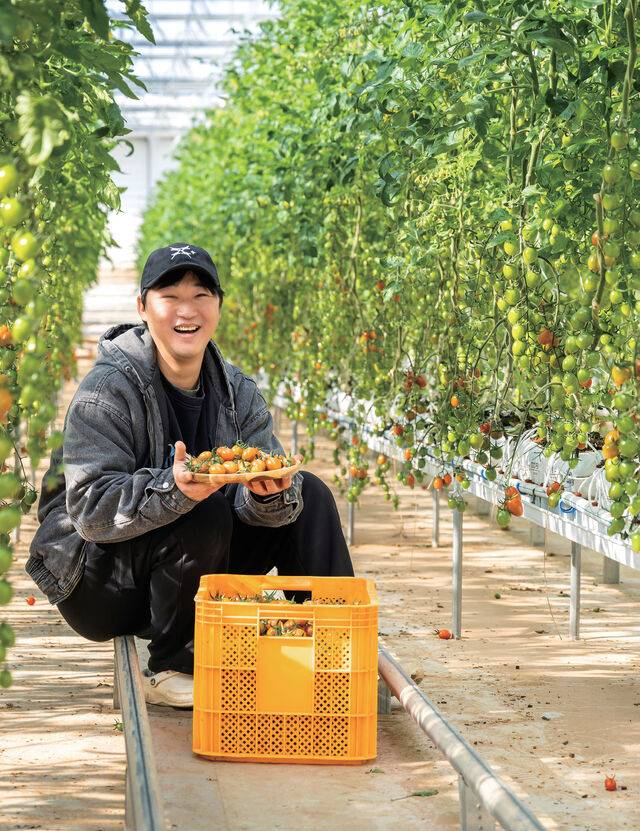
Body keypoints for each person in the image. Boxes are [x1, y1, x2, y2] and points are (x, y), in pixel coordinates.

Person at [26, 243, 354, 707]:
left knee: (309, 496)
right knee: (200, 508)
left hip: (191, 576)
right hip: (100, 582)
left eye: (201, 295)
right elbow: (89, 511)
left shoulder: (237, 391)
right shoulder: (106, 392)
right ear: (143, 307)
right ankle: (174, 665)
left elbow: (266, 489)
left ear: (218, 306)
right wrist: (173, 490)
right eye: (170, 296)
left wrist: (266, 498)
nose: (187, 310)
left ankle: (334, 645)